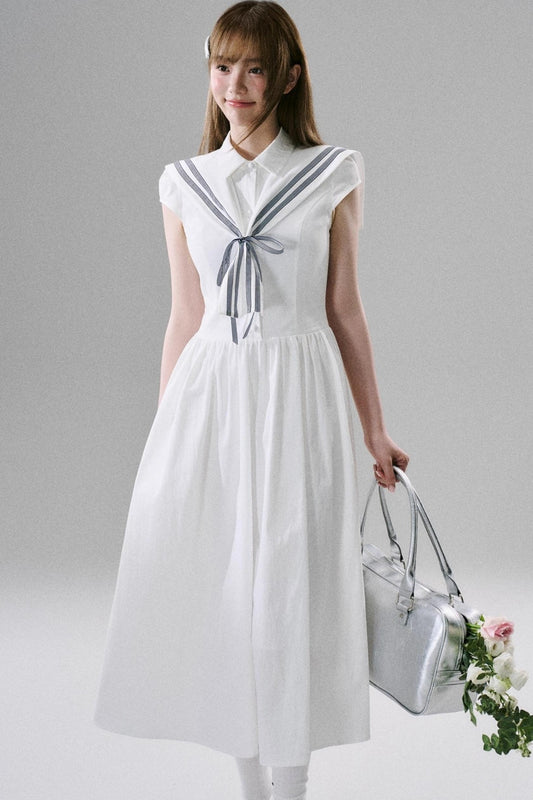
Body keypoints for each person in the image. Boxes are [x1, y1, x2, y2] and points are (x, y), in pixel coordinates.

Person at [93, 2, 409, 798]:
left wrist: (374, 429)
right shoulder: (183, 184)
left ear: (288, 77)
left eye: (254, 68)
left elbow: (344, 311)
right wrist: (167, 432)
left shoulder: (331, 173)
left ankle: (290, 790)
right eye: (222, 66)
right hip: (212, 400)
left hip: (299, 397)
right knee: (223, 590)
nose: (234, 84)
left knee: (290, 592)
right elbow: (185, 314)